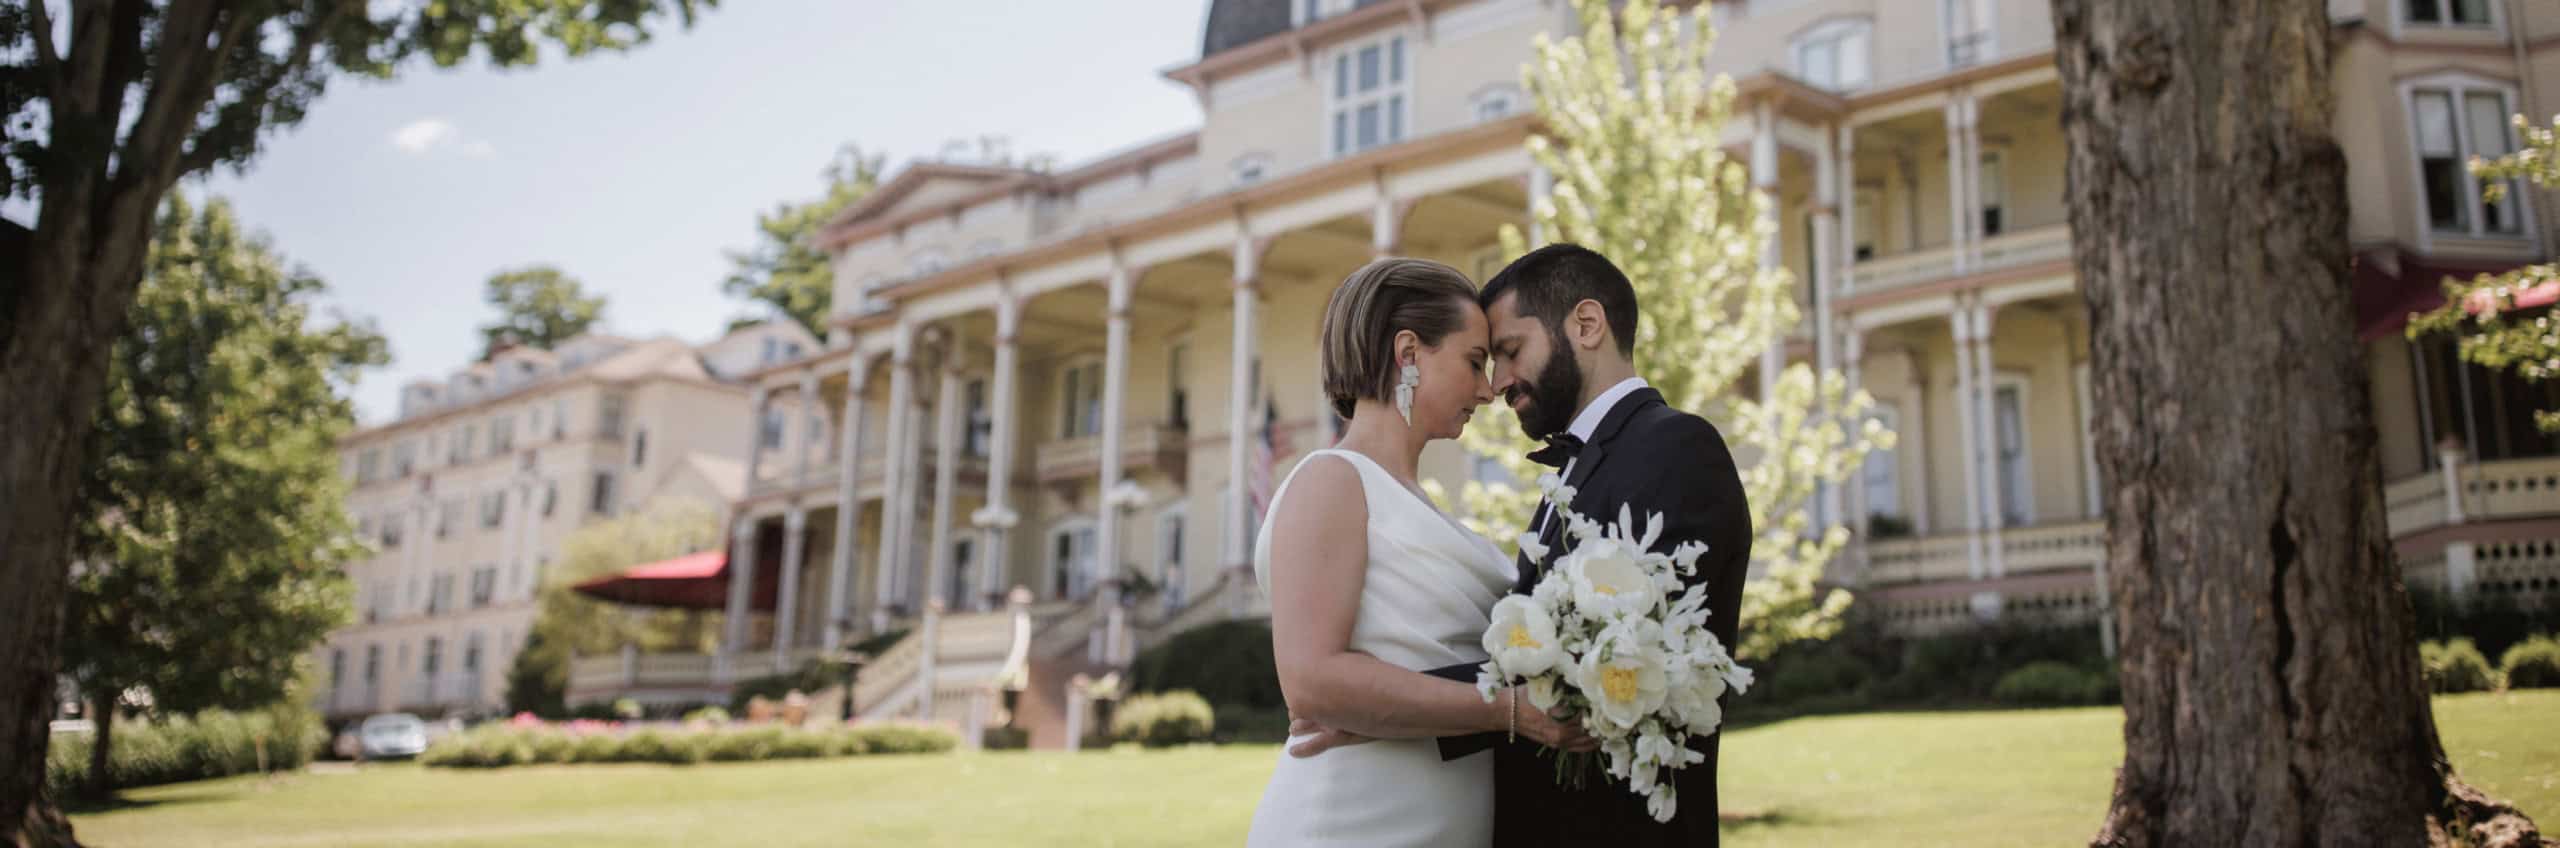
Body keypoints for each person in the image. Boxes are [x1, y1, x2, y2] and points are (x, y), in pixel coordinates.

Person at [1286, 244, 1754, 847]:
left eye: (1508, 353)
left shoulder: (1673, 447)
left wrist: (1385, 708)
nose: (1497, 384)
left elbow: (1626, 653)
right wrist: (1373, 702)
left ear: (1586, 325)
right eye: (1483, 360)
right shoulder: (1573, 472)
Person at [1246, 257, 1593, 847]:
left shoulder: (1416, 501)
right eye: (1474, 362)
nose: (1488, 390)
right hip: (1350, 823)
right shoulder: (1331, 480)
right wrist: (1507, 712)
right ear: (1408, 353)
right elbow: (1312, 681)